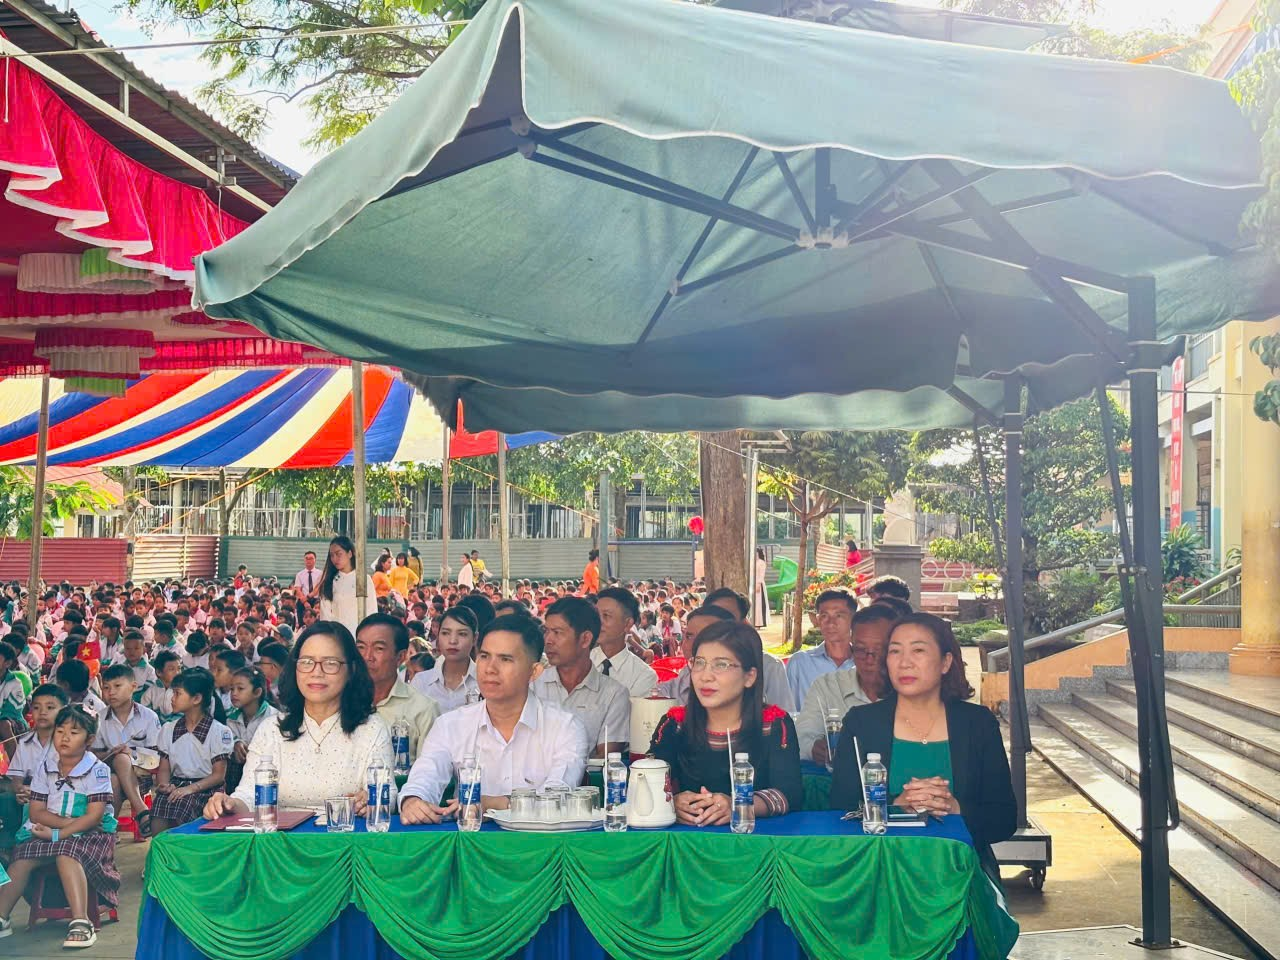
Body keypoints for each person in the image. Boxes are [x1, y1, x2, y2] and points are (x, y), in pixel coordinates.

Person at [830, 613, 1016, 883]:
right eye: (895, 651)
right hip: (879, 875)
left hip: (961, 877)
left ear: (945, 662)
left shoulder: (977, 724)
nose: (904, 662)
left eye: (918, 650)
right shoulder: (862, 723)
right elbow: (839, 810)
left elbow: (1004, 818)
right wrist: (895, 806)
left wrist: (955, 808)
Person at [400, 616, 588, 823]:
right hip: (470, 840)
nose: (490, 668)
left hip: (539, 841)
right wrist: (413, 800)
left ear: (534, 671)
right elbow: (426, 775)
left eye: (505, 659)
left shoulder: (565, 727)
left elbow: (557, 795)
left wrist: (495, 804)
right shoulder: (451, 724)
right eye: (484, 656)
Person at [203, 621, 392, 820]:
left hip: (345, 835)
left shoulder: (371, 729)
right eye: (307, 662)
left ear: (351, 669)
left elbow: (388, 793)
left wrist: (370, 799)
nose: (316, 672)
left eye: (330, 663)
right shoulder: (272, 729)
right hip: (279, 837)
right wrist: (229, 804)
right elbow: (249, 795)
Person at [648, 622, 802, 825]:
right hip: (688, 839)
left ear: (749, 676)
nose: (705, 676)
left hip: (754, 839)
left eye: (721, 665)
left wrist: (739, 805)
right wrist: (672, 802)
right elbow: (648, 783)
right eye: (699, 663)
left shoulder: (773, 725)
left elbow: (790, 794)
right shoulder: (675, 725)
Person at [0, 705, 120, 948]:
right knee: (22, 856)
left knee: (67, 852)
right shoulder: (45, 767)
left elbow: (94, 817)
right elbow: (37, 812)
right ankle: (2, 917)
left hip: (92, 836)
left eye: (74, 732)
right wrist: (60, 830)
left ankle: (81, 921)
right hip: (53, 830)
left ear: (89, 740)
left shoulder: (98, 770)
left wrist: (60, 833)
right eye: (60, 731)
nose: (65, 737)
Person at [797, 604, 899, 764]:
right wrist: (814, 748)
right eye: (861, 649)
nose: (869, 659)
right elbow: (801, 737)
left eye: (879, 650)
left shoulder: (909, 691)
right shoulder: (828, 686)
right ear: (851, 645)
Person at [534, 597, 631, 757]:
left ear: (585, 639)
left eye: (557, 633)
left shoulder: (613, 694)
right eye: (547, 631)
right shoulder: (533, 687)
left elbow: (606, 759)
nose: (548, 640)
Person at [150, 669, 233, 834]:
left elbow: (218, 775)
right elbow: (164, 768)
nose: (172, 698)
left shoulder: (218, 732)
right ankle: (160, 847)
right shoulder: (169, 729)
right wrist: (164, 785)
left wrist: (190, 789)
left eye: (177, 693)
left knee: (184, 804)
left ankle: (184, 848)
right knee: (160, 803)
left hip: (206, 789)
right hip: (177, 784)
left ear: (196, 699)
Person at [357, 613, 440, 762]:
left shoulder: (424, 710)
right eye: (361, 647)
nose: (367, 656)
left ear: (400, 657)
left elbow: (429, 770)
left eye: (378, 648)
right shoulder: (342, 702)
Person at [93, 664, 161, 836]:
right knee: (116, 770)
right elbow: (94, 755)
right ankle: (142, 812)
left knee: (120, 766)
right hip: (106, 774)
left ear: (133, 687)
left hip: (141, 774)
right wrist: (111, 753)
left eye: (117, 686)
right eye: (106, 688)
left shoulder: (148, 717)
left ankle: (109, 833)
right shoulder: (99, 718)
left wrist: (131, 754)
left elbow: (156, 759)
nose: (111, 692)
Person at [704, 589, 795, 712]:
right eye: (713, 618)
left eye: (726, 618)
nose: (719, 625)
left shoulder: (769, 667)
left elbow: (783, 715)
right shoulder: (693, 669)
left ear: (744, 624)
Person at [786, 589, 857, 710]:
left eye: (838, 615)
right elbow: (788, 712)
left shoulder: (865, 663)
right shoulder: (800, 663)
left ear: (854, 619)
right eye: (824, 616)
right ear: (818, 620)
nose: (831, 623)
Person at [409, 607, 480, 711]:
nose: (453, 641)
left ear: (475, 638)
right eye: (445, 633)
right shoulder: (421, 682)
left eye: (462, 634)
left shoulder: (484, 683)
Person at [591, 587, 658, 697]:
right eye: (596, 615)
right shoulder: (578, 663)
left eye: (606, 615)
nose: (598, 622)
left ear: (627, 624)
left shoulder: (643, 675)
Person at [226, 666, 279, 792]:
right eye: (232, 689)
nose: (234, 693)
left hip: (266, 772)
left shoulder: (273, 717)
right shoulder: (231, 718)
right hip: (238, 773)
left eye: (240, 688)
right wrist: (235, 743)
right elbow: (227, 741)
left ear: (257, 692)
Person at [317, 536, 379, 635]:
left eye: (338, 554)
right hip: (338, 635)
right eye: (332, 555)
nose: (335, 559)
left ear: (350, 553)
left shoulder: (364, 579)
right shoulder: (329, 582)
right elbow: (325, 616)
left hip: (361, 635)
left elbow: (372, 610)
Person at [142, 649, 182, 721]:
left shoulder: (183, 691)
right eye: (171, 669)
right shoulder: (151, 692)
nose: (177, 673)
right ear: (159, 672)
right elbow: (146, 714)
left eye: (179, 668)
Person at [753, 547, 769, 627]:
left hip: (759, 584)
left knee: (759, 604)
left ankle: (759, 623)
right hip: (752, 584)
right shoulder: (752, 562)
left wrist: (758, 584)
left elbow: (761, 575)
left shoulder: (761, 563)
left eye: (756, 553)